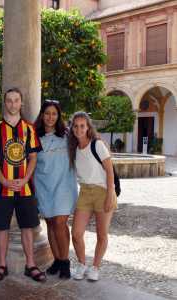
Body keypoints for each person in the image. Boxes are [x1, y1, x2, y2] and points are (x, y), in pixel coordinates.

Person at [0, 87, 46, 282]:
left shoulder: (29, 129)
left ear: (22, 103)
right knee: (2, 227)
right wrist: (3, 179)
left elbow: (33, 157)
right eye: (9, 100)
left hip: (25, 188)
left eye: (16, 100)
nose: (13, 104)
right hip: (1, 187)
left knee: (27, 227)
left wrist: (26, 179)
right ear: (5, 103)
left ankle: (30, 264)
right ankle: (2, 264)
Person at [68, 111, 117, 281]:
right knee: (76, 233)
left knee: (101, 234)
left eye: (82, 125)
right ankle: (82, 264)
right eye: (76, 126)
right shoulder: (73, 148)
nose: (79, 129)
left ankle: (95, 267)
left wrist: (110, 193)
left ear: (88, 127)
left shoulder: (97, 145)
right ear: (72, 128)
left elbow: (110, 170)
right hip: (85, 192)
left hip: (103, 191)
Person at [34, 100, 78, 279]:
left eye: (54, 113)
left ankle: (65, 261)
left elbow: (87, 144)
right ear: (42, 115)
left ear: (59, 116)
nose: (50, 117)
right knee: (51, 223)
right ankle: (57, 260)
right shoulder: (35, 137)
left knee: (60, 223)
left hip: (64, 186)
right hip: (44, 185)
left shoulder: (68, 136)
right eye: (47, 113)